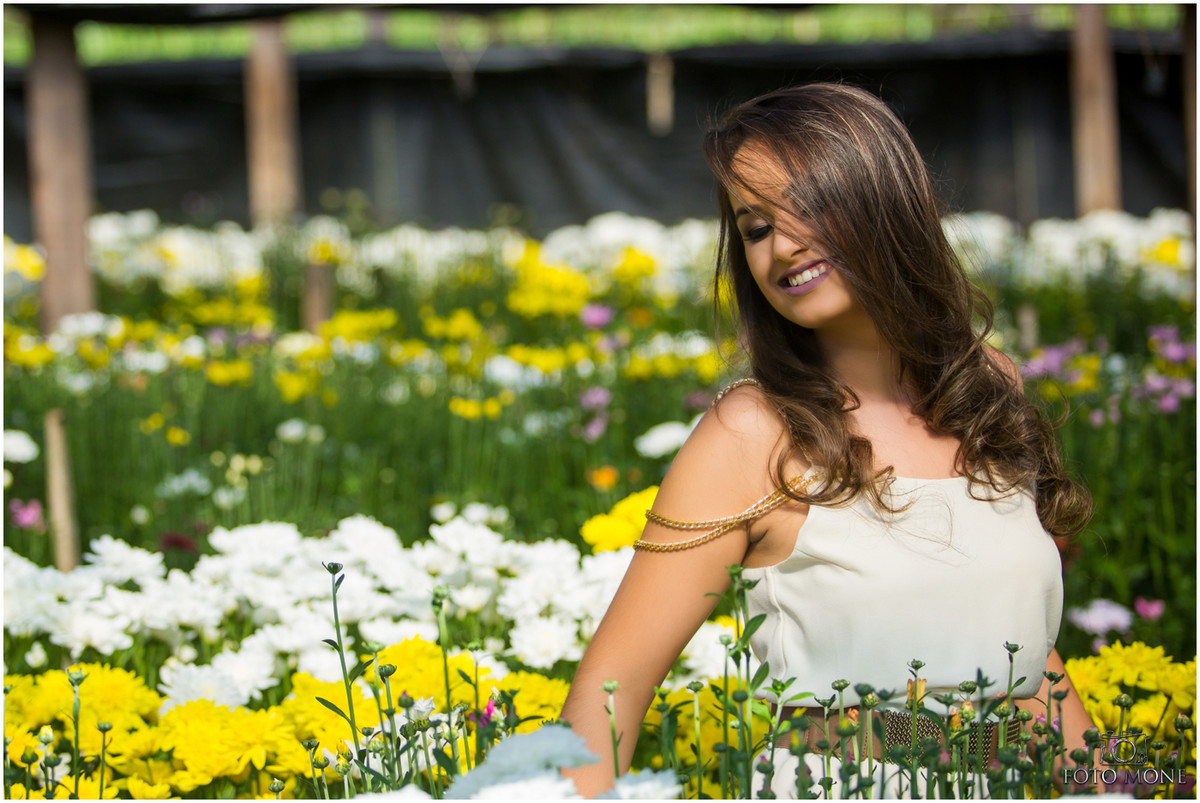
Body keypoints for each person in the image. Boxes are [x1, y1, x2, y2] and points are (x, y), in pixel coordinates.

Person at [558, 82, 1096, 799]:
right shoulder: (753, 432)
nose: (781, 246)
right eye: (755, 228)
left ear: (883, 199)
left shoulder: (989, 388)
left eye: (807, 206)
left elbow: (1023, 657)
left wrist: (1130, 783)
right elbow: (611, 685)